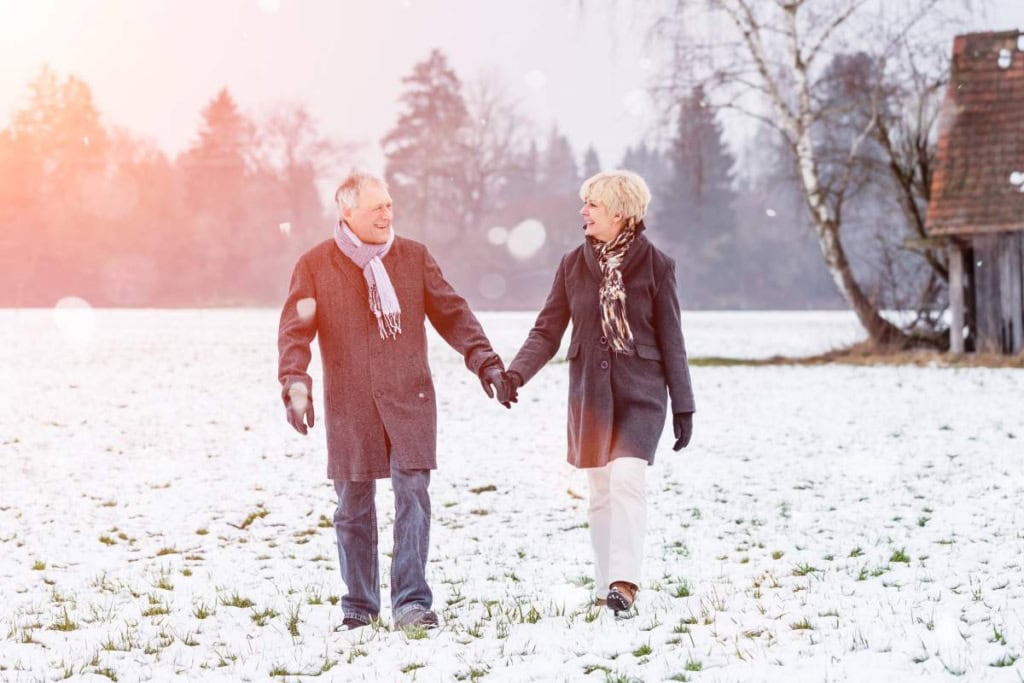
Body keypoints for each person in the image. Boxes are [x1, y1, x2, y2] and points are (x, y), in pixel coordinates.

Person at [278, 171, 512, 631]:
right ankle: (359, 607)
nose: (387, 213)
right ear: (347, 212)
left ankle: (410, 603)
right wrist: (295, 385)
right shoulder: (315, 265)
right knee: (353, 507)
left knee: (413, 497)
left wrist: (485, 361)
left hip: (410, 399)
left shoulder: (413, 258)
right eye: (375, 207)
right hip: (351, 405)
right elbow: (295, 333)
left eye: (389, 204)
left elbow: (454, 314)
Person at [505, 169, 695, 615]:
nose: (583, 211)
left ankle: (625, 582)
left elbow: (672, 338)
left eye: (592, 204)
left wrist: (684, 405)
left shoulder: (657, 266)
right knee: (602, 490)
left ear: (621, 211)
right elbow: (547, 329)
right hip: (590, 393)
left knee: (627, 478)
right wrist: (516, 374)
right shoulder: (573, 265)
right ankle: (604, 581)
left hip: (642, 392)